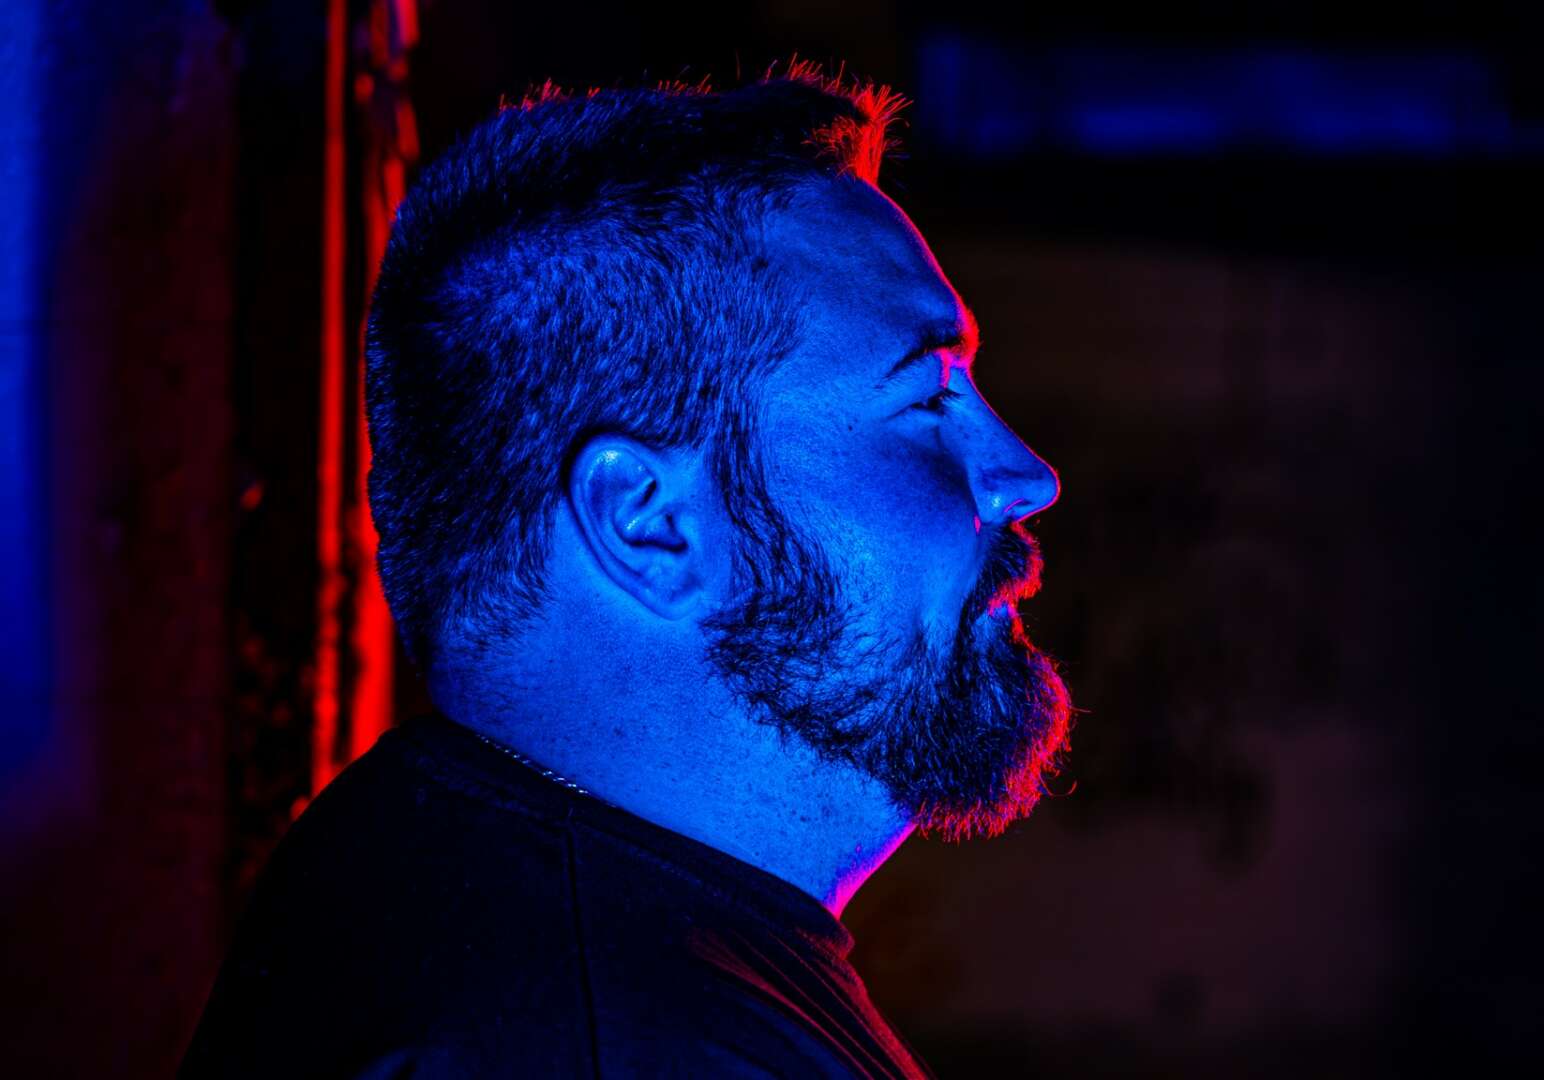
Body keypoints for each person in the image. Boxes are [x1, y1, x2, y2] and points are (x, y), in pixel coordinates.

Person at [180, 64, 1074, 1079]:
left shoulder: (489, 924)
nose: (1026, 476)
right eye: (929, 397)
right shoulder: (600, 1043)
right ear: (651, 526)